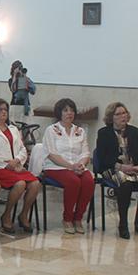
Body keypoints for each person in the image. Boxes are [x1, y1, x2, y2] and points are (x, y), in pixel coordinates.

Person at [0, 99, 40, 234]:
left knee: (35, 184)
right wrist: (8, 165)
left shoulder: (13, 128)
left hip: (15, 166)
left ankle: (23, 214)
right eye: (0, 109)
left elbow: (22, 149)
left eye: (5, 110)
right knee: (20, 184)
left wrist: (17, 161)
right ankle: (6, 214)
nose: (3, 112)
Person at [96, 102, 138, 240]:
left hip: (134, 168)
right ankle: (123, 224)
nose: (123, 116)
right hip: (113, 168)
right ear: (111, 117)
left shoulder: (135, 132)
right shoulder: (104, 133)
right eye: (118, 114)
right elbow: (103, 158)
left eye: (124, 113)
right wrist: (121, 167)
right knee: (125, 185)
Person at [42, 98, 94, 234]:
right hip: (56, 167)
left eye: (71, 110)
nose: (69, 113)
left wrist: (81, 165)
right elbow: (51, 154)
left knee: (89, 181)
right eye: (65, 110)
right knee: (73, 181)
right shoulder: (51, 130)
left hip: (77, 166)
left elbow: (85, 152)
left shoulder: (80, 131)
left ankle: (78, 218)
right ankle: (67, 218)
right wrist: (71, 167)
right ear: (59, 113)